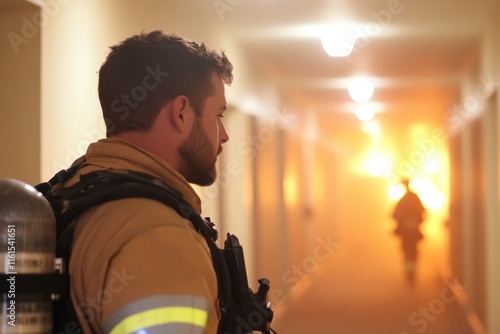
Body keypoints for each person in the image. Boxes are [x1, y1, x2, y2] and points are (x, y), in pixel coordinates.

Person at [61, 30, 233, 333]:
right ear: (181, 113)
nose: (224, 135)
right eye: (218, 115)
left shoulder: (75, 186)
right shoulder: (159, 236)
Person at [392, 178, 426, 285]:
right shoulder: (414, 198)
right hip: (413, 233)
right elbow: (423, 212)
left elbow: (394, 214)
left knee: (408, 253)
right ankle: (411, 274)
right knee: (413, 254)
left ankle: (410, 274)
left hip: (406, 234)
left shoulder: (402, 200)